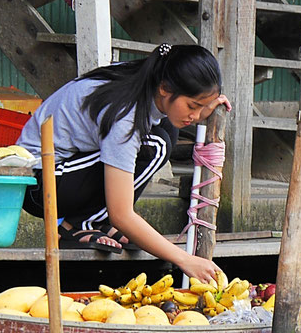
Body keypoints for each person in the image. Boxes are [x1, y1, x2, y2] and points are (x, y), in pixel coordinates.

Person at [18, 43, 228, 282]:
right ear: (165, 88)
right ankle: (75, 225)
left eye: (202, 108)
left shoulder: (148, 78)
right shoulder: (125, 114)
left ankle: (97, 219)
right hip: (38, 183)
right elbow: (123, 215)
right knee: (156, 145)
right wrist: (184, 259)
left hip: (66, 173)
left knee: (166, 132)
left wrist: (205, 106)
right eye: (193, 106)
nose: (196, 116)